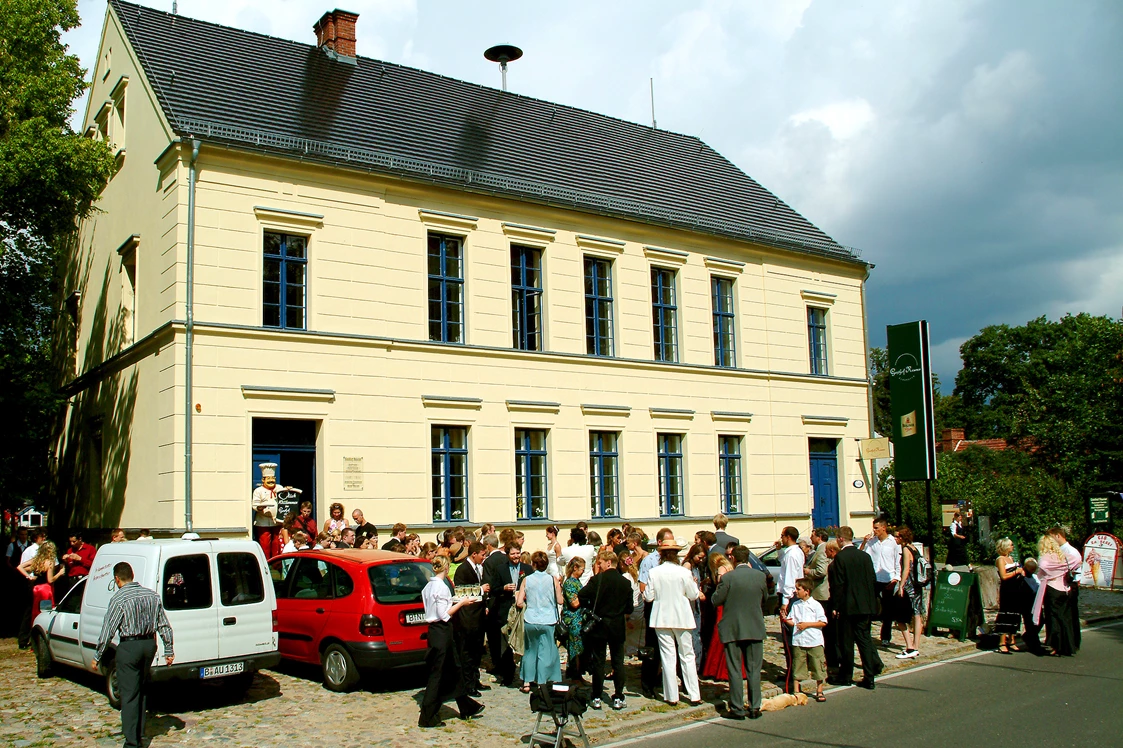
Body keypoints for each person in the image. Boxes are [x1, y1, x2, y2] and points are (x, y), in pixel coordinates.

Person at [92, 562, 174, 748]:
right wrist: (168, 649)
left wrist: (97, 656)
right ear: (132, 575)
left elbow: (108, 630)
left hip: (129, 646)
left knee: (128, 695)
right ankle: (140, 733)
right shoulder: (152, 596)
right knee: (141, 689)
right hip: (148, 645)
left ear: (117, 579)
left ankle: (131, 742)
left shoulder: (119, 599)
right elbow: (163, 625)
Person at [418, 556, 484, 727]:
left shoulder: (428, 586)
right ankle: (427, 716)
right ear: (446, 568)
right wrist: (462, 602)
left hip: (435, 631)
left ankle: (466, 706)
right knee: (438, 674)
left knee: (454, 668)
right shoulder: (441, 587)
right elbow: (444, 614)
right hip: (441, 630)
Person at [711, 545, 767, 720]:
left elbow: (716, 600)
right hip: (754, 626)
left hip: (733, 627)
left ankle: (736, 707)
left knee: (735, 669)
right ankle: (754, 706)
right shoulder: (759, 576)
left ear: (733, 559)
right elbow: (764, 597)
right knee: (754, 669)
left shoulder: (728, 578)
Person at [644, 536, 701, 706]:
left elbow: (648, 596)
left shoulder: (655, 572)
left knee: (668, 656)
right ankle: (694, 694)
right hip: (682, 616)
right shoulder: (684, 572)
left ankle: (671, 696)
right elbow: (693, 595)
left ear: (661, 554)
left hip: (662, 617)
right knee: (687, 655)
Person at [579, 548, 635, 710]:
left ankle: (596, 696)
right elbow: (629, 608)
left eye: (600, 563)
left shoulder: (597, 580)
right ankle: (618, 696)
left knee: (599, 661)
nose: (599, 565)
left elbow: (582, 596)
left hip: (600, 625)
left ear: (608, 562)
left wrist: (592, 607)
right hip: (617, 625)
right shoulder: (625, 582)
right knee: (618, 662)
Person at [828, 526, 881, 689]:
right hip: (864, 605)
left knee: (847, 643)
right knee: (864, 640)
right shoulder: (864, 556)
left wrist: (835, 605)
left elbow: (839, 584)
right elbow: (872, 580)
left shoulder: (840, 558)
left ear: (841, 539)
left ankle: (846, 675)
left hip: (848, 606)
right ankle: (869, 675)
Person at [516, 551, 564, 692]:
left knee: (530, 651)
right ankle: (542, 681)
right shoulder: (553, 580)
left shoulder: (527, 580)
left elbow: (519, 602)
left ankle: (526, 682)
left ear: (534, 564)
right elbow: (560, 600)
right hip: (548, 620)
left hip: (531, 619)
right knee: (546, 652)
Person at [484, 542, 530, 686]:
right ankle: (508, 675)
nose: (516, 556)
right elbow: (493, 589)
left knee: (525, 643)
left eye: (518, 553)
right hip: (505, 609)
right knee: (505, 645)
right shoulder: (500, 569)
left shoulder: (527, 569)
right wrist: (504, 588)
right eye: (513, 554)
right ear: (508, 555)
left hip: (523, 610)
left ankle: (527, 676)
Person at [637, 527, 673, 699]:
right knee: (652, 646)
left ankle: (664, 679)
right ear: (660, 543)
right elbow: (642, 586)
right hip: (654, 606)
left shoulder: (674, 562)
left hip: (669, 607)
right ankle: (647, 683)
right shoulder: (649, 561)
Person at [700, 554, 746, 682]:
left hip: (723, 603)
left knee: (719, 633)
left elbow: (721, 584)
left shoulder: (721, 569)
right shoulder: (730, 567)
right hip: (732, 603)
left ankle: (717, 669)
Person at [453, 541, 490, 696]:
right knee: (467, 652)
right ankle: (468, 685)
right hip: (467, 618)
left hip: (479, 616)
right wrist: (480, 589)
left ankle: (475, 679)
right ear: (474, 554)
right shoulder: (463, 570)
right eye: (482, 555)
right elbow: (460, 593)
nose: (484, 557)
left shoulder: (479, 568)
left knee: (476, 651)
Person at [784, 578, 828, 702]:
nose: (796, 591)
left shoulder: (815, 605)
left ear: (807, 591)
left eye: (798, 589)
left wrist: (807, 625)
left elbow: (823, 622)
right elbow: (793, 621)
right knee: (798, 664)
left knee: (817, 665)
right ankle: (797, 690)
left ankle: (819, 689)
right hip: (799, 640)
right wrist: (786, 620)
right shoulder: (796, 605)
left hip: (814, 640)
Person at [1031, 535, 1076, 656]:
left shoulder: (1045, 557)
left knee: (1053, 618)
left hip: (1052, 588)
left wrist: (1047, 575)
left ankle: (1055, 644)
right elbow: (1077, 561)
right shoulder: (1062, 556)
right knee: (1064, 618)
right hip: (1064, 588)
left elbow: (1042, 567)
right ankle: (1067, 645)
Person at [861, 517, 901, 646]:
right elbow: (862, 556)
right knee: (870, 607)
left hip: (888, 578)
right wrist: (864, 542)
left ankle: (885, 637)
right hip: (874, 578)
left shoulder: (893, 542)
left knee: (887, 610)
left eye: (877, 528)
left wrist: (896, 578)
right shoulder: (872, 542)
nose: (875, 530)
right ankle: (866, 635)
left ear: (884, 528)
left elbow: (898, 561)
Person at [776, 525, 804, 693]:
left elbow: (790, 579)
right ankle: (791, 669)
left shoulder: (793, 554)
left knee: (788, 637)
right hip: (790, 595)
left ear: (788, 536)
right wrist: (779, 551)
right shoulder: (791, 552)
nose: (781, 538)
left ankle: (793, 674)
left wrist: (785, 601)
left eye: (782, 536)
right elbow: (783, 564)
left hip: (789, 596)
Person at [803, 528, 835, 668]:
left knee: (824, 626)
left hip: (821, 593)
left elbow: (822, 571)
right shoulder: (818, 549)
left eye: (813, 535)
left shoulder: (822, 550)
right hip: (820, 592)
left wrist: (808, 571)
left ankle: (827, 656)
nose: (811, 537)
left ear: (819, 537)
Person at [1048, 526, 1083, 652]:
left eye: (1052, 537)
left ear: (1058, 536)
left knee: (1068, 616)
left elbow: (1077, 571)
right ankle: (1063, 643)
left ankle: (1070, 642)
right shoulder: (1059, 550)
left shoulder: (1070, 551)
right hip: (1061, 586)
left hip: (1069, 586)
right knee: (1062, 616)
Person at [893, 527, 924, 659]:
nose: (895, 539)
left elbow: (906, 569)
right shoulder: (914, 548)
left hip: (909, 586)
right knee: (917, 615)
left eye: (897, 537)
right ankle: (916, 645)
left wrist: (901, 586)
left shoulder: (906, 549)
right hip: (917, 585)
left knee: (900, 617)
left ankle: (909, 646)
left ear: (902, 538)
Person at [18, 541, 65, 618]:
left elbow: (20, 567)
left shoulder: (36, 560)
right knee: (45, 612)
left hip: (36, 588)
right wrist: (60, 573)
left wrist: (29, 576)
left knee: (36, 610)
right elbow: (50, 580)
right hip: (45, 590)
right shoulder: (50, 562)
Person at [994, 537, 1024, 654]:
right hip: (1007, 589)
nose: (1013, 547)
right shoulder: (1001, 559)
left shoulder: (1011, 558)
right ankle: (1002, 642)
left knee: (1015, 614)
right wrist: (1016, 572)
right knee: (1006, 613)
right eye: (1011, 545)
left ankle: (1012, 639)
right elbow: (1004, 576)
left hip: (1016, 588)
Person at [560, 557, 587, 681]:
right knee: (575, 648)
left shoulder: (576, 581)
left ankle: (576, 674)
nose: (583, 572)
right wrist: (586, 596)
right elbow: (574, 603)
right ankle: (575, 676)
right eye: (582, 569)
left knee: (578, 648)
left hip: (578, 619)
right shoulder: (570, 583)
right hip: (573, 620)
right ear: (575, 568)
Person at [682, 543, 708, 674]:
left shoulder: (696, 566)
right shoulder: (687, 566)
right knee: (694, 635)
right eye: (700, 557)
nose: (702, 560)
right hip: (691, 603)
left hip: (696, 602)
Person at [251, 462, 284, 557]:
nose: (271, 481)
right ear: (263, 480)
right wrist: (260, 508)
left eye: (272, 478)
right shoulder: (258, 491)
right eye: (268, 479)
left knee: (277, 543)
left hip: (277, 521)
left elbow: (285, 499)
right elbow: (255, 504)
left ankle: (276, 563)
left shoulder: (279, 488)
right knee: (265, 543)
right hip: (263, 521)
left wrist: (288, 490)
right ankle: (266, 561)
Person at [60, 532, 97, 598]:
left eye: (74, 541)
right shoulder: (70, 550)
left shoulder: (90, 549)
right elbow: (70, 566)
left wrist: (80, 559)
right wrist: (66, 561)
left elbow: (94, 564)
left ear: (80, 539)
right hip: (73, 580)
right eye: (70, 542)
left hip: (84, 579)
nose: (72, 544)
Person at [1020, 557, 1043, 653]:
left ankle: (1028, 637)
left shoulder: (1034, 577)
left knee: (1040, 621)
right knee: (1029, 624)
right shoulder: (1022, 578)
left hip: (1036, 603)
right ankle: (1034, 645)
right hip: (1026, 604)